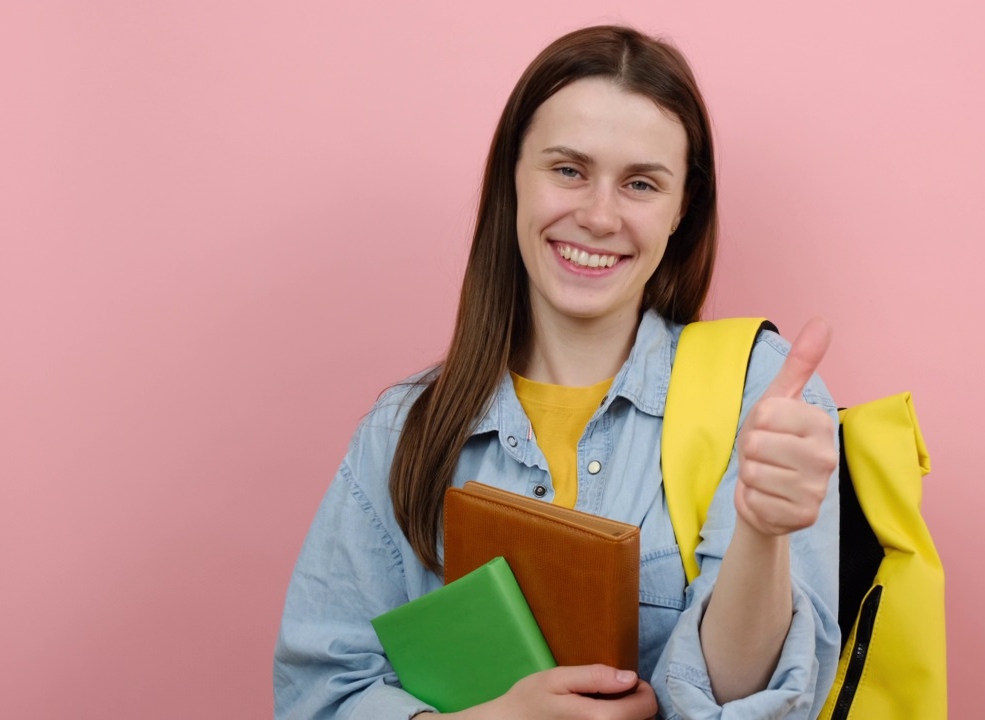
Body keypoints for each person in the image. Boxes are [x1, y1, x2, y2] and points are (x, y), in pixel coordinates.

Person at [274, 25, 842, 720]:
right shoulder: (404, 431)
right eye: (568, 170)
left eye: (640, 183)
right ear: (514, 174)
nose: (599, 216)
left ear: (681, 208)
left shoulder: (761, 397)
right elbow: (317, 695)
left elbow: (751, 707)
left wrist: (763, 531)